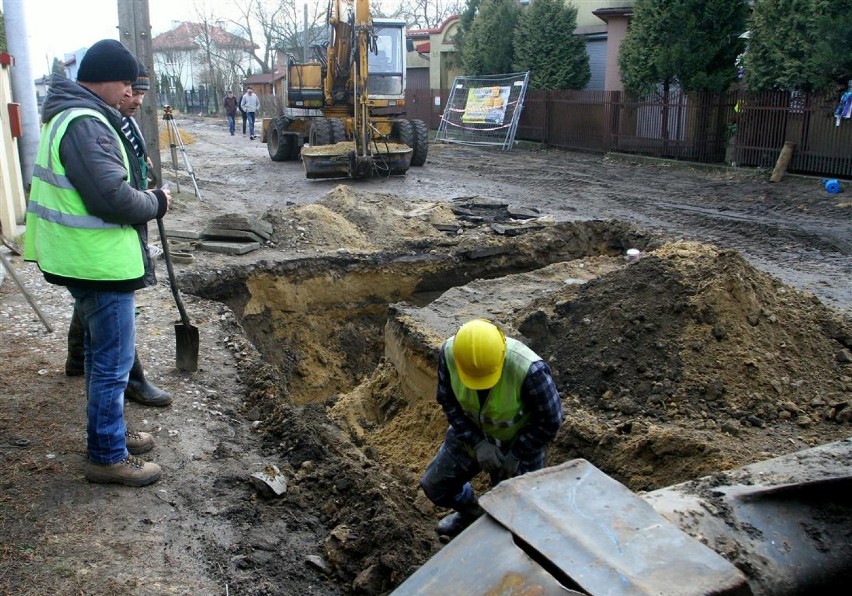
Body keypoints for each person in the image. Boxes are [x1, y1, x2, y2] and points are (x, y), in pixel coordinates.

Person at [24, 39, 172, 487]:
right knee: (112, 362)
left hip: (82, 258)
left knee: (100, 356)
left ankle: (113, 434)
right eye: (127, 83)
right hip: (97, 262)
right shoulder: (85, 123)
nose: (130, 92)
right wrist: (156, 201)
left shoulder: (70, 114)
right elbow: (111, 197)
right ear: (106, 80)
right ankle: (107, 455)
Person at [64, 59, 173, 409]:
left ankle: (77, 357)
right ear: (112, 84)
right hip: (100, 244)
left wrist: (143, 167)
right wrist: (153, 202)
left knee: (94, 312)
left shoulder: (120, 121)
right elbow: (109, 194)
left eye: (140, 91)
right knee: (112, 327)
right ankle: (131, 388)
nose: (136, 98)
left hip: (99, 244)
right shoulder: (93, 124)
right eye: (131, 89)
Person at [419, 319, 564, 537]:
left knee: (516, 514)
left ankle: (504, 541)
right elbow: (448, 401)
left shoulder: (529, 370)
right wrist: (477, 443)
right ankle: (472, 513)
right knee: (435, 485)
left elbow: (551, 420)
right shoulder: (450, 354)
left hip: (518, 445)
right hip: (470, 434)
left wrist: (517, 454)